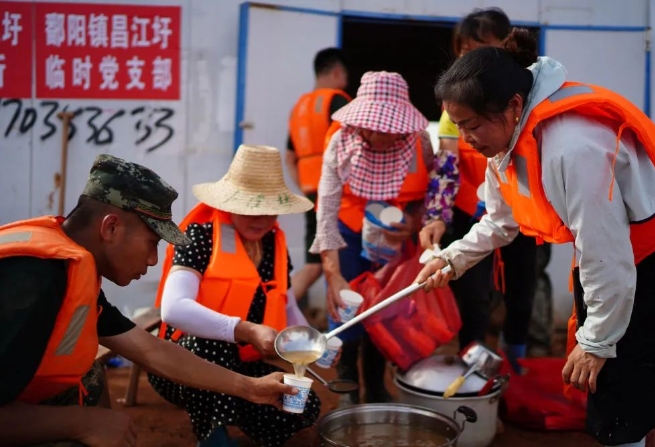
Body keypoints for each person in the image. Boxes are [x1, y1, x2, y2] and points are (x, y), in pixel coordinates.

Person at [417, 27, 655, 447]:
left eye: (472, 125)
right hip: (613, 260)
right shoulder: (504, 143)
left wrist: (596, 342)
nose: (465, 139)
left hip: (653, 257)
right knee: (622, 384)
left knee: (624, 390)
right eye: (458, 126)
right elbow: (500, 221)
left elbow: (606, 254)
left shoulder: (573, 148)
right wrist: (452, 258)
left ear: (513, 106)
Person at [0, 154, 297, 446]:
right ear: (111, 227)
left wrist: (251, 387)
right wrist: (81, 423)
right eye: (152, 243)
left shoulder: (70, 270)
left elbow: (150, 350)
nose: (154, 260)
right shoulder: (33, 282)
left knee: (88, 378)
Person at [149, 145, 325, 447]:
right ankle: (212, 437)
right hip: (182, 364)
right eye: (250, 208)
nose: (260, 218)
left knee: (303, 403)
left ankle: (239, 425)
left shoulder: (272, 242)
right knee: (212, 345)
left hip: (242, 365)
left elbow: (286, 303)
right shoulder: (200, 236)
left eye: (269, 209)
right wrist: (245, 329)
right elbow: (173, 310)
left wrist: (316, 342)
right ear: (230, 203)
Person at [310, 71, 443, 406]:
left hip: (395, 235)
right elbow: (325, 209)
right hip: (348, 234)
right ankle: (348, 384)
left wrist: (413, 222)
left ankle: (375, 383)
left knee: (385, 312)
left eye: (389, 128)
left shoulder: (419, 141)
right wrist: (332, 273)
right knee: (347, 308)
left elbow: (432, 191)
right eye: (375, 126)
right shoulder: (340, 141)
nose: (381, 135)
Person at [420, 7, 538, 372]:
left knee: (522, 291)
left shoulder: (526, 103)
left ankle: (515, 366)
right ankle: (474, 374)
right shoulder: (453, 108)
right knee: (474, 298)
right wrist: (438, 215)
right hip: (473, 215)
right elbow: (447, 166)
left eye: (479, 48)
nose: (469, 59)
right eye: (462, 51)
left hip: (525, 213)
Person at [286, 47, 351, 306]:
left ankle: (276, 308)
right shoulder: (338, 101)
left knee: (316, 263)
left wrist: (304, 187)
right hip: (338, 196)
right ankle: (275, 310)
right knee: (336, 264)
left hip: (311, 192)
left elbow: (289, 156)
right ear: (337, 71)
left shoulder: (299, 108)